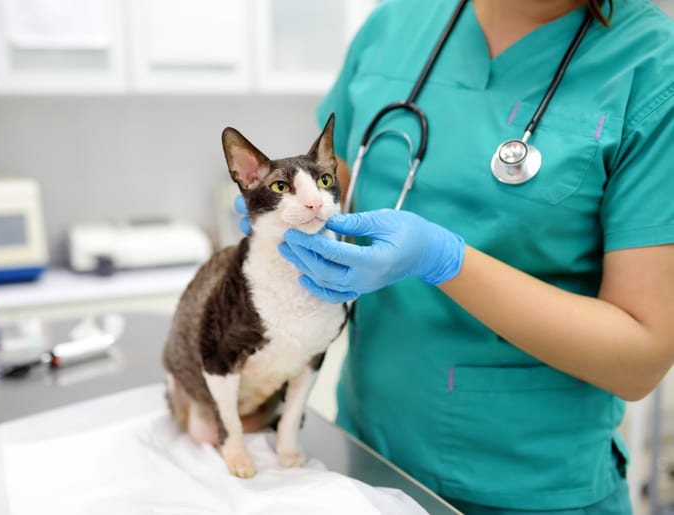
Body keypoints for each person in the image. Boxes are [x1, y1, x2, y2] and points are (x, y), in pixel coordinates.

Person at [257, 0, 674, 513]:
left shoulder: (653, 64)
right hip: (364, 460)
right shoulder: (398, 23)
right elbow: (336, 175)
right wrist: (279, 212)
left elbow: (640, 359)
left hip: (532, 486)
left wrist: (445, 261)